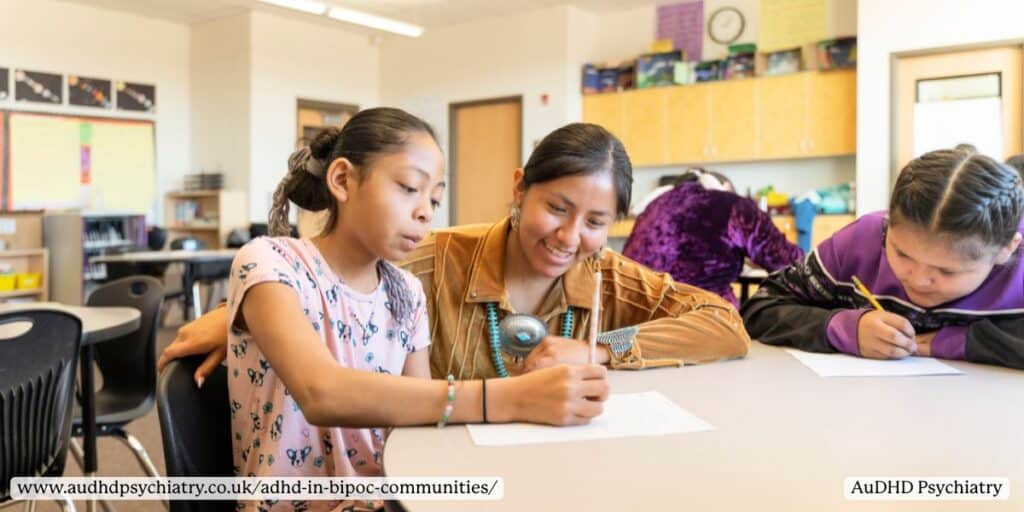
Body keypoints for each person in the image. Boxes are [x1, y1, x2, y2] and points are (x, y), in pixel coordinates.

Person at [159, 122, 750, 386]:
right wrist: (238, 315)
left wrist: (599, 347)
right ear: (519, 188)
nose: (570, 236)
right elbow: (320, 276)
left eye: (596, 221)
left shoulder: (604, 275)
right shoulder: (435, 257)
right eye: (557, 208)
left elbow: (725, 324)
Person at [224, 108, 608, 512]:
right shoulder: (270, 261)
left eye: (434, 198)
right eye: (410, 188)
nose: (425, 211)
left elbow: (420, 414)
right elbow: (322, 391)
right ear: (342, 180)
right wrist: (510, 398)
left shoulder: (405, 292)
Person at [741, 147, 1024, 369]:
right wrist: (845, 329)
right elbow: (760, 309)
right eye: (901, 253)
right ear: (888, 224)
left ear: (1006, 250)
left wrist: (952, 343)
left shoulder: (1016, 265)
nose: (918, 280)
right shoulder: (861, 241)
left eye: (947, 271)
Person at [623, 168, 804, 308]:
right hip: (703, 320)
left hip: (637, 317)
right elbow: (790, 262)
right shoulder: (734, 205)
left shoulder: (654, 206)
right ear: (725, 188)